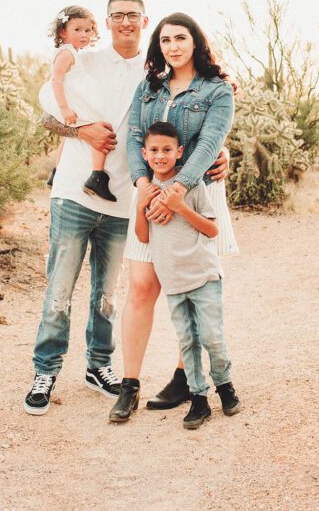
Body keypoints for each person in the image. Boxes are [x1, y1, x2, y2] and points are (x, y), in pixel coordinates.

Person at [25, 0, 229, 416]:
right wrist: (81, 131)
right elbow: (47, 110)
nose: (125, 23)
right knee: (60, 287)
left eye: (133, 16)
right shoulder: (86, 59)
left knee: (109, 293)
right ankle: (45, 371)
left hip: (127, 201)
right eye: (117, 16)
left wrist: (221, 154)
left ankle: (99, 367)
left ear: (144, 20)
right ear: (107, 20)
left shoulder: (154, 71)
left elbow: (186, 130)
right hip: (77, 191)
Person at [109, 12, 238, 423]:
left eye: (180, 38)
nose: (172, 47)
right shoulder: (149, 88)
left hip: (192, 194)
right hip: (149, 194)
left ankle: (187, 378)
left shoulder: (217, 90)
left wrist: (177, 189)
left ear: (196, 42)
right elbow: (133, 137)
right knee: (142, 286)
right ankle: (129, 384)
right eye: (165, 40)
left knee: (192, 284)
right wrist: (144, 185)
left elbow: (210, 143)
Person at [131, 122, 241, 429]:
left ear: (179, 153)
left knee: (212, 338)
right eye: (154, 150)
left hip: (204, 277)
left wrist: (179, 206)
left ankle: (225, 385)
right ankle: (199, 399)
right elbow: (143, 237)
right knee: (188, 342)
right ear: (144, 154)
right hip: (174, 283)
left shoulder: (192, 186)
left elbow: (211, 229)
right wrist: (141, 206)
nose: (160, 156)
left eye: (167, 150)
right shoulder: (148, 191)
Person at [38, 5, 115, 201]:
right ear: (63, 31)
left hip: (69, 97)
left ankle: (56, 172)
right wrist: (64, 108)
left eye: (88, 30)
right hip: (67, 99)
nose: (84, 35)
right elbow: (55, 79)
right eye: (77, 30)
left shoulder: (70, 52)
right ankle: (97, 175)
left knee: (70, 136)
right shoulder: (66, 53)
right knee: (100, 124)